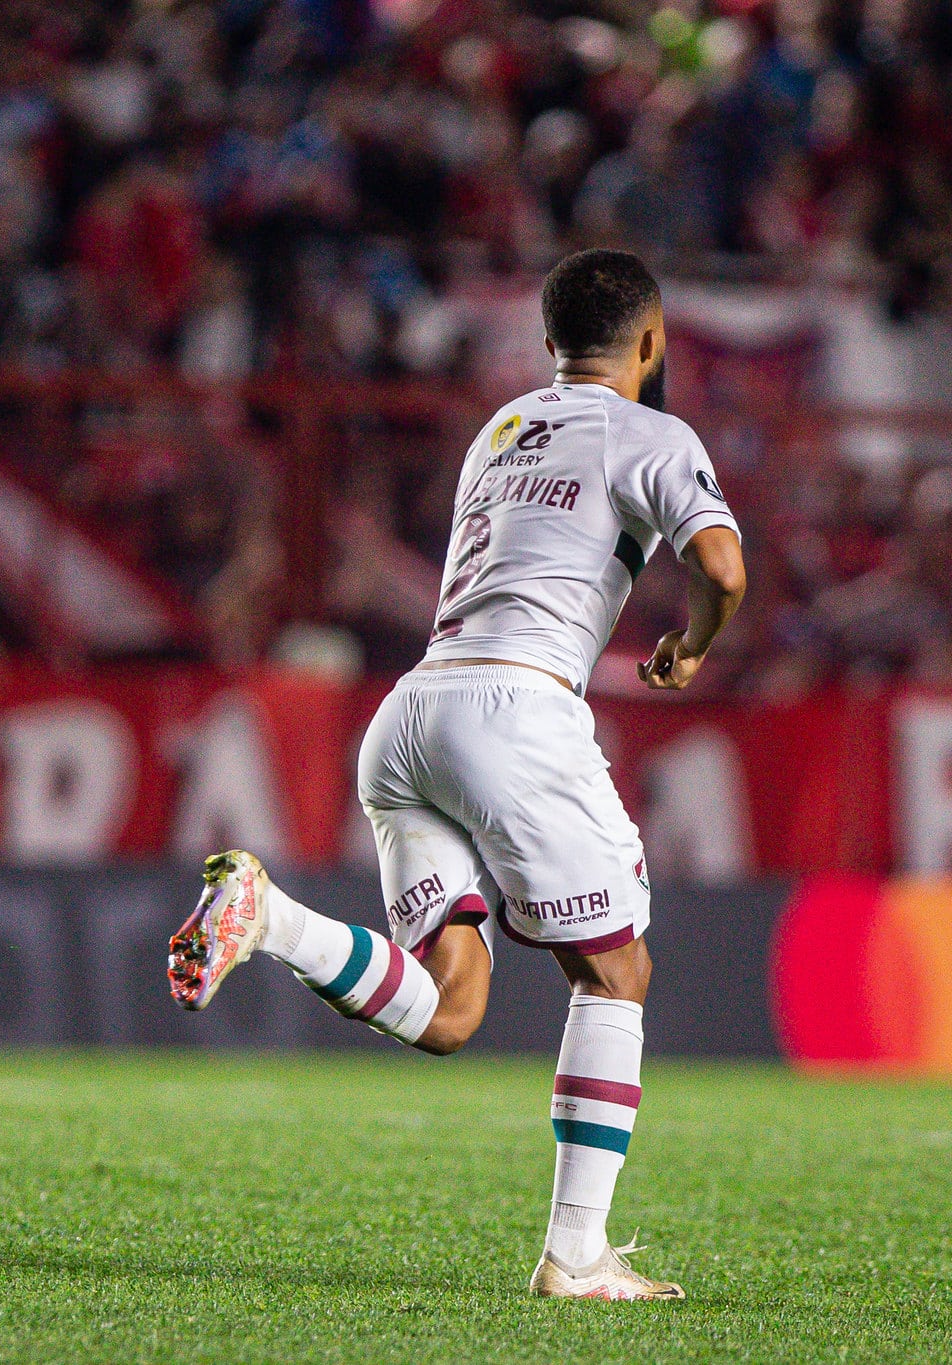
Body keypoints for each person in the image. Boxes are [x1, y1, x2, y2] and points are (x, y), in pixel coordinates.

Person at [168, 248, 746, 1300]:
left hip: (411, 715)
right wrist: (695, 643)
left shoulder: (500, 430)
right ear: (653, 340)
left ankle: (271, 920)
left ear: (547, 344)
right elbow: (722, 569)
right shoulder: (652, 432)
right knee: (616, 975)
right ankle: (575, 1255)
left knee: (448, 1011)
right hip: (516, 714)